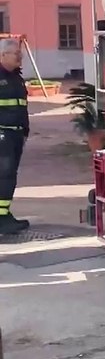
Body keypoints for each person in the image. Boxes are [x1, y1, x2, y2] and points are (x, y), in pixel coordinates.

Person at [0, 38, 29, 234]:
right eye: (16, 54)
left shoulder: (17, 77)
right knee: (5, 175)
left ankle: (5, 214)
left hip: (16, 133)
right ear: (3, 56)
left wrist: (25, 130)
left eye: (20, 53)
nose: (20, 56)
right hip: (3, 133)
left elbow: (21, 106)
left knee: (9, 176)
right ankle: (2, 218)